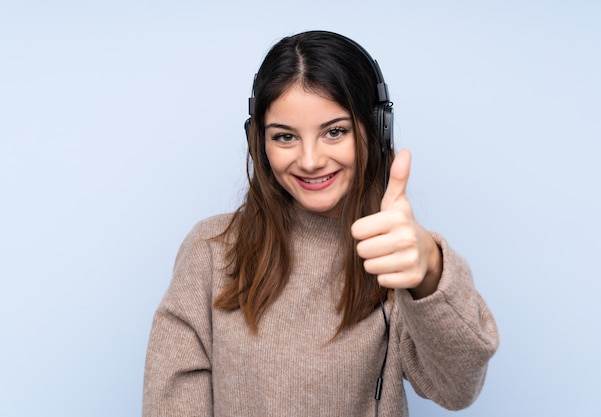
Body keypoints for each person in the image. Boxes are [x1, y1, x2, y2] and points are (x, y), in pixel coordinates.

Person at [142, 30, 499, 417]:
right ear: (258, 142)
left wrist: (430, 270)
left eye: (335, 131)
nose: (310, 160)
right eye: (284, 137)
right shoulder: (210, 250)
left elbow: (457, 387)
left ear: (376, 130)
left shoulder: (397, 253)